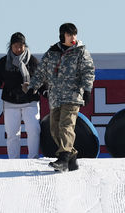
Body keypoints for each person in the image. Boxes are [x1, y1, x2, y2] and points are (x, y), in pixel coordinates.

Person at [27, 23, 95, 172]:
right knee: (54, 129)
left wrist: (87, 89)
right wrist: (34, 85)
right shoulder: (52, 52)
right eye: (70, 34)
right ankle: (72, 157)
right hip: (56, 96)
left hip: (72, 95)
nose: (73, 38)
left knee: (66, 125)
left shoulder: (80, 51)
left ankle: (63, 159)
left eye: (74, 34)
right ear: (62, 35)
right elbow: (41, 70)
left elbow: (88, 71)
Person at [0, 32, 43, 159]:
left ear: (25, 46)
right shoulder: (4, 62)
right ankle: (13, 160)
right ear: (11, 47)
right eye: (15, 46)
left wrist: (46, 91)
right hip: (11, 102)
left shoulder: (32, 61)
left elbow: (41, 79)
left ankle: (33, 157)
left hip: (30, 101)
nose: (18, 49)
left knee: (33, 130)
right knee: (12, 133)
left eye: (21, 46)